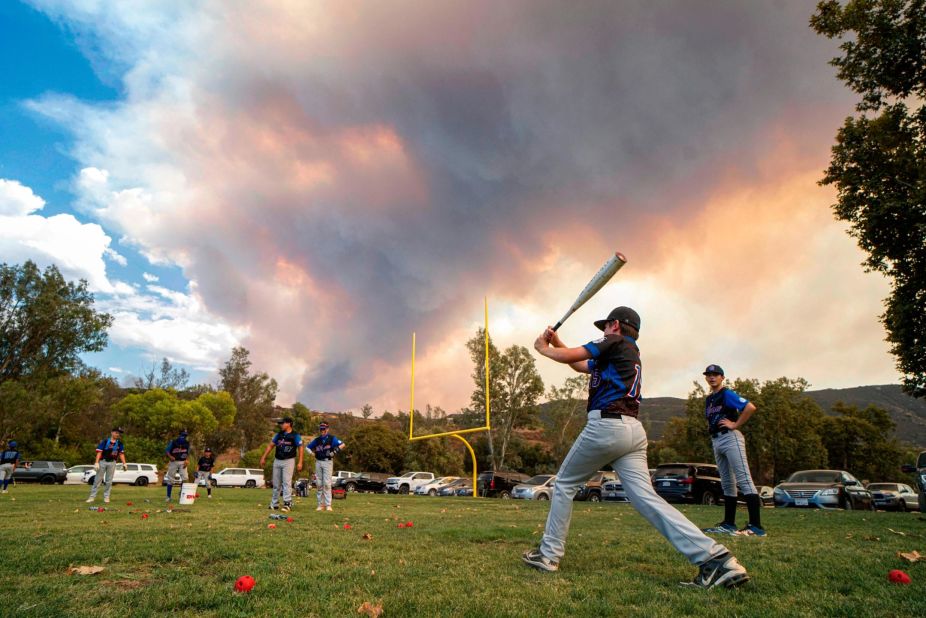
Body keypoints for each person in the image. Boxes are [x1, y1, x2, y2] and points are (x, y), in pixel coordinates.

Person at [522, 306, 749, 589]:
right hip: (632, 432)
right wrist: (557, 343)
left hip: (606, 426)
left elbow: (571, 356)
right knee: (647, 499)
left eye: (605, 326)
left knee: (565, 484)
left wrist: (543, 348)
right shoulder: (627, 351)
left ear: (615, 325)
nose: (603, 331)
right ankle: (716, 559)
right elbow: (580, 364)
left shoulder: (614, 342)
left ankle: (548, 555)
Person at [700, 364, 765, 537]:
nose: (712, 377)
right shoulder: (709, 399)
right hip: (717, 440)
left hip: (730, 438)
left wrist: (735, 424)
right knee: (727, 483)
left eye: (716, 374)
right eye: (709, 375)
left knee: (744, 479)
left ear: (722, 377)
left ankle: (756, 527)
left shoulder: (726, 394)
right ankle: (729, 524)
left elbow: (750, 407)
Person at [259, 417, 303, 512]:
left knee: (286, 482)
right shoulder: (279, 434)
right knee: (276, 483)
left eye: (283, 423)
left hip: (289, 460)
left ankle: (287, 503)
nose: (281, 425)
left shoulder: (295, 435)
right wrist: (263, 457)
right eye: (280, 423)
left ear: (289, 424)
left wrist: (300, 462)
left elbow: (300, 448)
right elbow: (271, 445)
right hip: (277, 460)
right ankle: (274, 503)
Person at [306, 422, 346, 512]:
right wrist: (312, 453)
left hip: (328, 462)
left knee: (327, 484)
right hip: (318, 462)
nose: (322, 430)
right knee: (319, 484)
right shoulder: (317, 440)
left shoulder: (332, 438)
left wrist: (335, 451)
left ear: (327, 429)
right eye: (321, 429)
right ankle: (320, 504)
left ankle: (328, 505)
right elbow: (307, 448)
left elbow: (343, 444)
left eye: (324, 429)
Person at [86, 428, 127, 504]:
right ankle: (92, 497)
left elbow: (121, 454)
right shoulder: (105, 441)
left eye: (119, 433)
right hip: (102, 462)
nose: (117, 434)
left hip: (112, 463)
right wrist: (96, 462)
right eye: (116, 433)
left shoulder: (119, 443)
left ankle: (106, 497)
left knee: (109, 481)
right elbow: (99, 452)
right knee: (97, 480)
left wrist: (124, 463)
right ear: (112, 433)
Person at [164, 430, 191, 502]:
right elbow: (167, 450)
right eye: (182, 435)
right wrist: (170, 456)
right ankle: (168, 496)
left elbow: (188, 453)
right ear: (179, 435)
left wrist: (187, 460)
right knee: (170, 479)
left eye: (185, 436)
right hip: (174, 462)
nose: (183, 437)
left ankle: (182, 494)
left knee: (185, 478)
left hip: (183, 461)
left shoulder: (187, 443)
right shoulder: (173, 442)